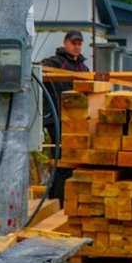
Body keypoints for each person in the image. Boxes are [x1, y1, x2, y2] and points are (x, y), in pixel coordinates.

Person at [42, 31, 90, 199]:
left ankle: (57, 198)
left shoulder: (84, 69)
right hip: (56, 118)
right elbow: (37, 69)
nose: (76, 47)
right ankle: (58, 199)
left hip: (77, 121)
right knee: (63, 158)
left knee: (70, 159)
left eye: (79, 44)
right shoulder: (54, 63)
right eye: (73, 43)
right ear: (65, 43)